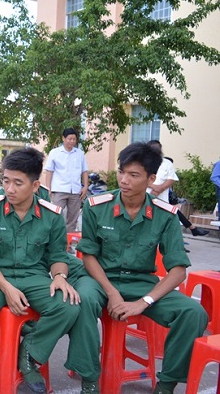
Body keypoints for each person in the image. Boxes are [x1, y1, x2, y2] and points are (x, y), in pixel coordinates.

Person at [65, 142, 208, 394]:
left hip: (142, 283)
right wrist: (111, 293)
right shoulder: (98, 205)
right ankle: (89, 380)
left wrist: (143, 302)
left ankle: (166, 385)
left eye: (133, 175)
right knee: (83, 299)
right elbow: (88, 256)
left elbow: (178, 270)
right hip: (100, 279)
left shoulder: (165, 214)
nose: (124, 180)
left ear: (151, 178)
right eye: (122, 172)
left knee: (193, 312)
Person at [0, 148, 80, 394]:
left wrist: (59, 277)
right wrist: (7, 288)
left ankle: (28, 355)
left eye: (17, 183)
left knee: (69, 305)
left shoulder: (52, 216)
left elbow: (57, 256)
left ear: (35, 186)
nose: (9, 188)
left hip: (33, 277)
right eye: (5, 180)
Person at [146, 141, 208, 237]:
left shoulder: (167, 163)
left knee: (171, 218)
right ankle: (192, 229)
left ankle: (178, 243)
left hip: (162, 199)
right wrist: (154, 188)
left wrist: (160, 189)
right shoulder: (141, 162)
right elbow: (139, 178)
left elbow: (171, 179)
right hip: (144, 197)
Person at [44, 128, 89, 232]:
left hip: (75, 191)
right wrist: (48, 188)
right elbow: (49, 171)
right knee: (55, 215)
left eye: (74, 139)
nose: (72, 141)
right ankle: (54, 239)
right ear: (63, 138)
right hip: (59, 189)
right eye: (69, 139)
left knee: (73, 218)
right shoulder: (55, 153)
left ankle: (69, 242)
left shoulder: (80, 153)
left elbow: (84, 171)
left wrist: (85, 186)